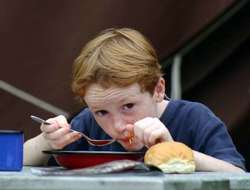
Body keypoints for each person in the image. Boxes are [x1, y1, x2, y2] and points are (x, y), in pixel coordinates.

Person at [24, 28, 245, 172]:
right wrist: (46, 140)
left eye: (128, 106)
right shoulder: (87, 125)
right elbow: (11, 164)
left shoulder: (194, 119)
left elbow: (238, 176)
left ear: (158, 89)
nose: (118, 126)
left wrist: (175, 150)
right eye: (101, 112)